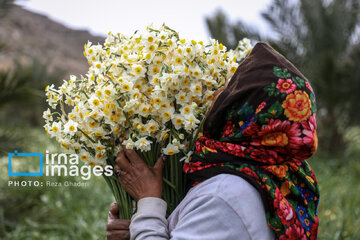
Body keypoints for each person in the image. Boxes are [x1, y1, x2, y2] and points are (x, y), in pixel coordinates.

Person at [106, 42, 320, 240]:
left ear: (243, 114)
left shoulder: (224, 196)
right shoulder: (278, 178)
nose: (216, 93)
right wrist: (138, 227)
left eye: (230, 89)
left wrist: (148, 202)